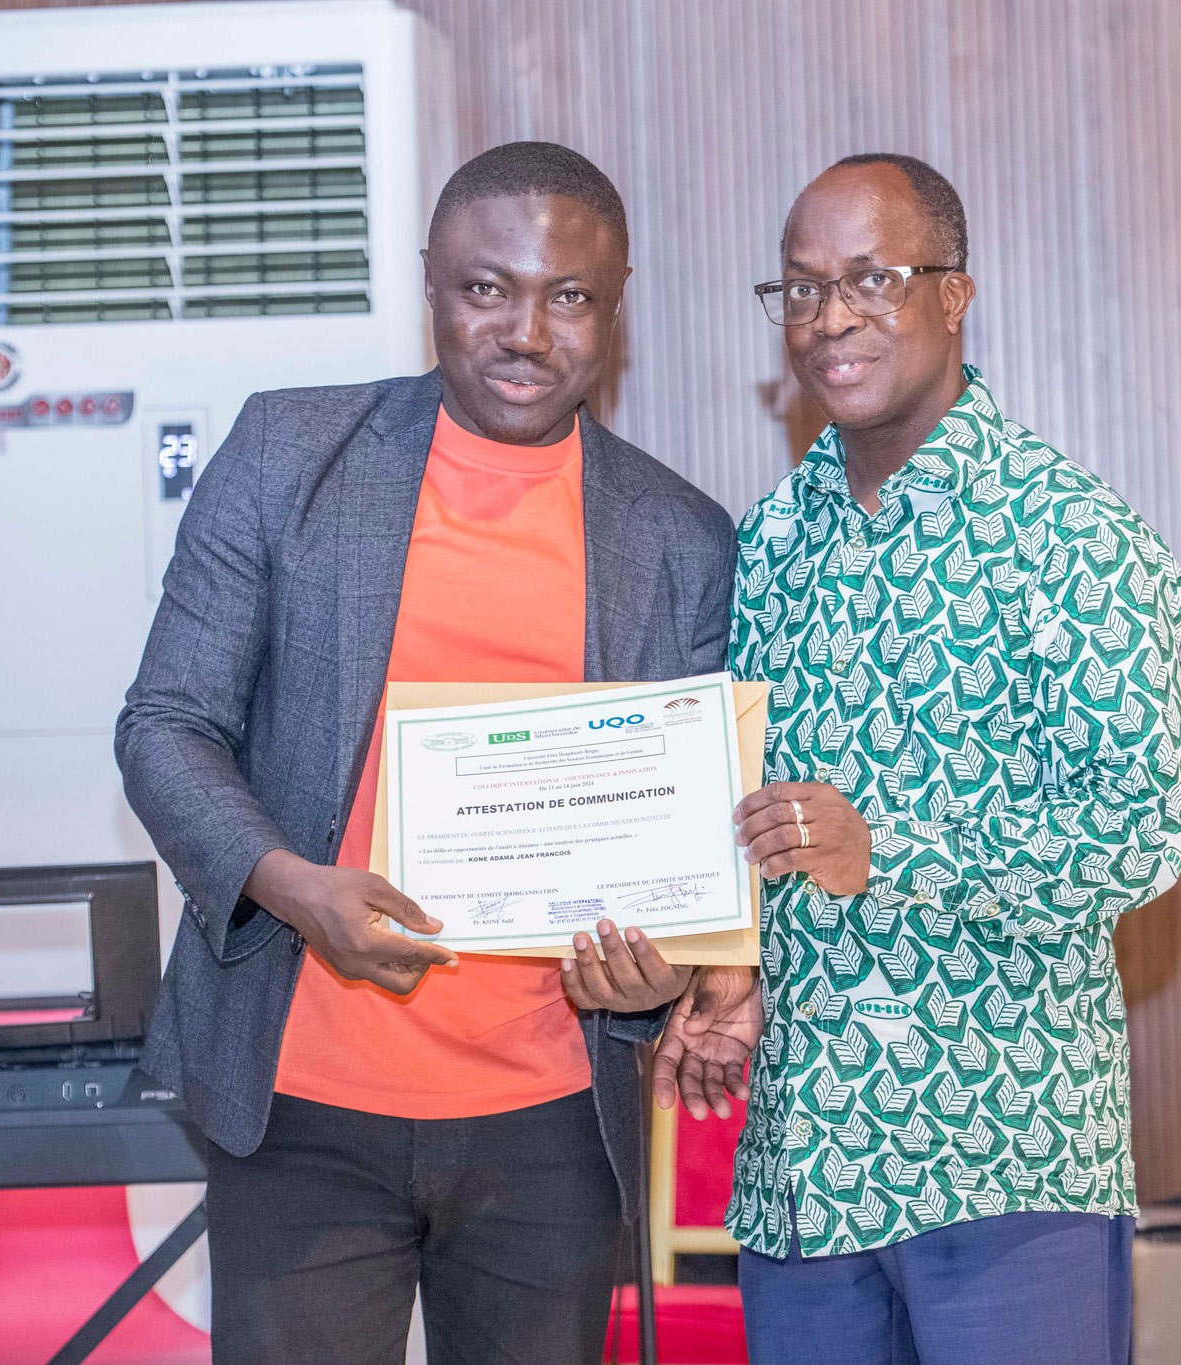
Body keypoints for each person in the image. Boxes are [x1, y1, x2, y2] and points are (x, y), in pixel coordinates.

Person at [116, 141, 743, 1363]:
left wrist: (658, 974)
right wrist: (293, 890)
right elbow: (165, 724)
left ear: (615, 307)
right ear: (430, 284)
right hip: (302, 1100)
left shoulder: (680, 539)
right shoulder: (290, 456)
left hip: (552, 1121)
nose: (526, 332)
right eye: (485, 289)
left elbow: (681, 841)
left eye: (569, 296)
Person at [657, 154, 1181, 1365]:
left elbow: (1139, 832)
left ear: (954, 294)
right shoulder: (770, 541)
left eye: (870, 279)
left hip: (1002, 1166)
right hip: (803, 1170)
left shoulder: (1071, 537)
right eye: (799, 288)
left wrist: (886, 850)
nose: (827, 317)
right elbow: (752, 813)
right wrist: (733, 967)